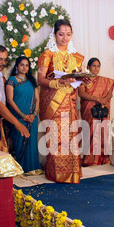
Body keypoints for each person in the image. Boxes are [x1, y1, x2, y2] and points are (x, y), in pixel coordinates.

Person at [37, 19, 86, 184]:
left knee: (71, 137)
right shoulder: (47, 54)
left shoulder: (76, 57)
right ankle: (56, 174)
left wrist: (84, 79)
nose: (65, 38)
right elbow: (40, 79)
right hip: (54, 104)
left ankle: (72, 174)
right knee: (56, 138)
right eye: (61, 34)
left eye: (68, 34)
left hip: (70, 103)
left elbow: (77, 77)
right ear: (55, 35)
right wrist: (59, 83)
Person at [5, 56, 42, 174]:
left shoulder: (31, 81)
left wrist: (34, 114)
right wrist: (23, 115)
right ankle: (22, 168)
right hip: (17, 117)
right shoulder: (11, 80)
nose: (24, 67)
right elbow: (10, 100)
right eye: (22, 65)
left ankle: (34, 167)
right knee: (20, 140)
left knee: (32, 141)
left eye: (26, 65)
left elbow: (37, 99)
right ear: (17, 66)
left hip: (32, 118)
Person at [79, 57, 114, 166]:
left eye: (98, 66)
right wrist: (98, 99)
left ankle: (103, 158)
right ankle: (91, 160)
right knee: (91, 132)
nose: (96, 68)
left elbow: (110, 93)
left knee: (103, 131)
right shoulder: (84, 80)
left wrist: (104, 100)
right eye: (93, 66)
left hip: (102, 108)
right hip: (89, 109)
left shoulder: (105, 81)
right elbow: (81, 94)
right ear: (89, 67)